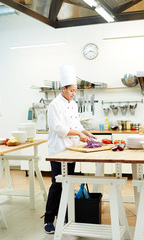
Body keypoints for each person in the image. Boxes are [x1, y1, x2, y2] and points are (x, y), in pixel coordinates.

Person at [44, 65, 94, 234]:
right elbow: (59, 128)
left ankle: (64, 216)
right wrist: (79, 134)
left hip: (72, 150)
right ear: (63, 89)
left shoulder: (72, 104)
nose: (74, 94)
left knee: (68, 184)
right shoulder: (54, 105)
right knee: (57, 185)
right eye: (71, 90)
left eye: (75, 91)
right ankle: (49, 219)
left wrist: (88, 134)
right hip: (58, 150)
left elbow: (77, 125)